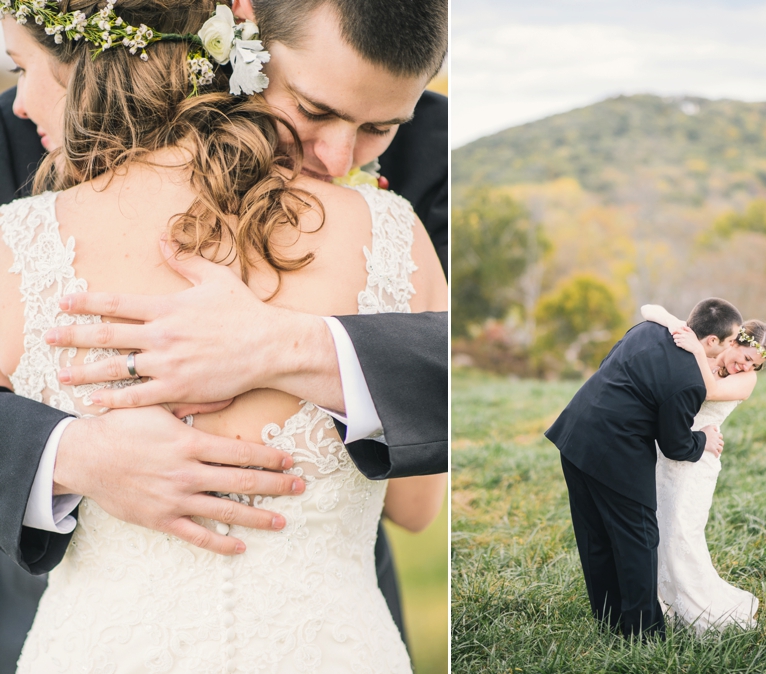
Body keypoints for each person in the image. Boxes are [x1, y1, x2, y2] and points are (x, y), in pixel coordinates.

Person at [0, 0, 446, 670]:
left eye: (379, 128)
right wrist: (69, 454)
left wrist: (298, 348)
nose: (336, 155)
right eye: (313, 109)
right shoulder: (386, 230)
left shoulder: (21, 237)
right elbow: (417, 501)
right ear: (245, 31)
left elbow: (441, 392)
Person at [545, 298, 741, 640]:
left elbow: (611, 364)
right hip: (614, 451)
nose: (730, 349)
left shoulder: (648, 330)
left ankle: (608, 619)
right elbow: (675, 444)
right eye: (729, 343)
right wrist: (704, 438)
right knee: (639, 538)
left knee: (594, 535)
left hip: (574, 433)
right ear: (712, 341)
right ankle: (645, 634)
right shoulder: (690, 380)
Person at [642, 304, 766, 634]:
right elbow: (649, 309)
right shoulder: (704, 347)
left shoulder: (746, 380)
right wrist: (680, 329)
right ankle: (663, 603)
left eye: (754, 364)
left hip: (698, 462)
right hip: (666, 453)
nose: (745, 366)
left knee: (682, 533)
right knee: (659, 530)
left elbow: (712, 392)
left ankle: (699, 608)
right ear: (734, 341)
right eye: (746, 356)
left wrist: (695, 351)